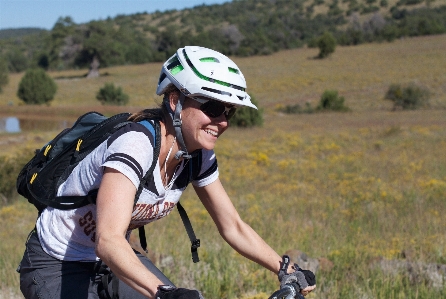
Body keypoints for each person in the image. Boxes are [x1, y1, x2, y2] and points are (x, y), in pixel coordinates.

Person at [18, 46, 316, 299]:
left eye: (229, 112)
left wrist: (285, 269)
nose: (222, 121)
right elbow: (108, 240)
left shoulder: (196, 155)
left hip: (112, 261)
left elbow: (233, 226)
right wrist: (164, 292)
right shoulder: (135, 144)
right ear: (175, 100)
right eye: (212, 106)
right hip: (55, 262)